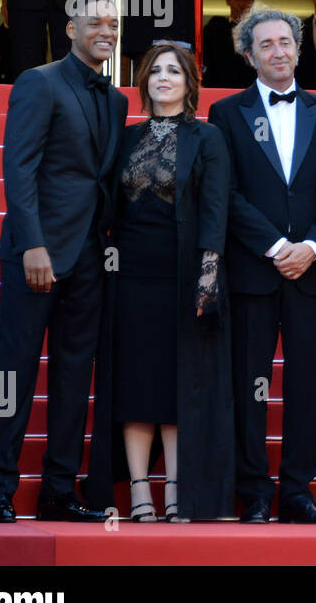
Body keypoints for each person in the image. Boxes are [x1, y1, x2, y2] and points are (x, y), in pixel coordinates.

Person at [0, 0, 126, 523]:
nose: (106, 31)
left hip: (89, 255)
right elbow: (18, 168)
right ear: (70, 28)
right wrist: (33, 243)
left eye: (113, 24)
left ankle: (58, 490)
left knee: (73, 376)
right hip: (34, 252)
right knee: (14, 372)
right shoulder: (38, 82)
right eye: (95, 23)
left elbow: (100, 180)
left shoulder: (115, 99)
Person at [85, 43, 234, 522]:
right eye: (155, 72)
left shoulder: (207, 138)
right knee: (133, 384)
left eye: (174, 71)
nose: (164, 78)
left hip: (183, 274)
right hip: (128, 276)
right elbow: (107, 205)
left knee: (175, 384)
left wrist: (208, 277)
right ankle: (138, 489)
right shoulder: (126, 137)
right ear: (144, 81)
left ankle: (176, 488)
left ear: (189, 83)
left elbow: (215, 210)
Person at [208, 7, 316, 524]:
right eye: (266, 45)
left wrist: (310, 245)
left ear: (298, 48)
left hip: (312, 271)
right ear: (248, 55)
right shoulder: (226, 113)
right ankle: (254, 490)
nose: (278, 51)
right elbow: (228, 193)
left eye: (285, 42)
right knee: (250, 384)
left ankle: (296, 491)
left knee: (307, 384)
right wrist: (273, 246)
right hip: (252, 271)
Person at [201, 0, 257, 89]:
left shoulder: (261, 31)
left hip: (251, 89)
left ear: (252, 2)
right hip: (220, 88)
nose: (242, 3)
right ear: (228, 1)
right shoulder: (215, 30)